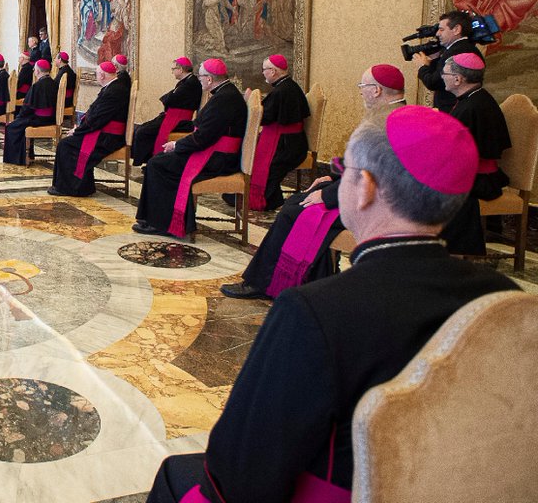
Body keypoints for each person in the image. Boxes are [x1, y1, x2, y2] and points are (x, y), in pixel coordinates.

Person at [146, 106, 518, 503]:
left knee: (175, 474)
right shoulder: (505, 299)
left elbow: (242, 467)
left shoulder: (314, 312)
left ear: (366, 187)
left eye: (342, 168)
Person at [221, 64, 407, 300]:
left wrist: (328, 195)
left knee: (293, 211)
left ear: (376, 91)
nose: (360, 91)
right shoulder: (396, 114)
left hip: (373, 203)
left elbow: (370, 174)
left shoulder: (383, 124)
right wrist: (332, 177)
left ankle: (267, 283)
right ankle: (290, 280)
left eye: (362, 86)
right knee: (297, 203)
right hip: (369, 192)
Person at [134, 58, 246, 238]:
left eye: (201, 76)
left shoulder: (224, 98)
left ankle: (163, 223)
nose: (198, 79)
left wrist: (176, 145)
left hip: (218, 158)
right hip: (217, 152)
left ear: (209, 79)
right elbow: (206, 128)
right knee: (159, 162)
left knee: (157, 165)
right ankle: (155, 219)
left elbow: (203, 137)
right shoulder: (226, 93)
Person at [438, 52, 510, 255]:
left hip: (480, 179)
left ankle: (445, 251)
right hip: (476, 174)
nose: (442, 76)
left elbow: (456, 155)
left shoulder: (473, 106)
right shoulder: (474, 99)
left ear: (458, 79)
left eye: (444, 72)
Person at [48, 61, 129, 196]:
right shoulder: (114, 86)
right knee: (67, 143)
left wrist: (79, 130)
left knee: (65, 145)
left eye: (97, 74)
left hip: (108, 136)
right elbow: (96, 113)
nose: (96, 77)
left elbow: (98, 118)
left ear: (102, 75)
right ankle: (82, 185)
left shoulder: (114, 90)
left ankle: (72, 188)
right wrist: (81, 127)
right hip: (104, 131)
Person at [246, 54, 310, 212]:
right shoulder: (287, 86)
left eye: (264, 70)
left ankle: (267, 200)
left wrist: (250, 102)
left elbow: (265, 117)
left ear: (273, 71)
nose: (263, 73)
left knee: (264, 166)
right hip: (290, 141)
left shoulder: (282, 90)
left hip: (287, 145)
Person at [131, 57, 202, 166]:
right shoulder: (186, 82)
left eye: (173, 69)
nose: (172, 72)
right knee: (141, 128)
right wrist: (169, 97)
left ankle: (149, 161)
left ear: (181, 69)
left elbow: (170, 99)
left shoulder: (191, 83)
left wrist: (168, 98)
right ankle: (149, 160)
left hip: (179, 119)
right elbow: (170, 97)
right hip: (172, 115)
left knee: (143, 132)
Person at [412, 9, 483, 113]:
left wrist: (422, 67)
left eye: (441, 29)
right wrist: (432, 62)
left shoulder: (457, 51)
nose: (437, 33)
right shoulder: (460, 48)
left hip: (453, 110)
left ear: (456, 29)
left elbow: (435, 82)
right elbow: (439, 76)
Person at [3, 59, 57, 165]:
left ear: (37, 71)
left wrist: (19, 117)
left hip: (39, 119)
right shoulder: (54, 83)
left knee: (11, 127)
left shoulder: (37, 86)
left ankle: (17, 159)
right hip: (51, 118)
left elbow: (27, 107)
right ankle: (28, 154)